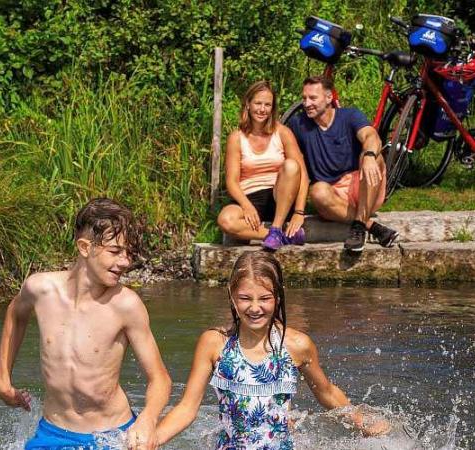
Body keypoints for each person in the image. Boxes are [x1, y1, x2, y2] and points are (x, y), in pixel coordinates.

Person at [155, 251, 389, 449]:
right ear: (232, 297)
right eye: (245, 298)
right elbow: (187, 407)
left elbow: (325, 392)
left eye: (264, 298)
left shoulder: (297, 346)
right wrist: (152, 438)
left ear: (277, 298)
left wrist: (361, 420)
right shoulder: (214, 343)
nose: (254, 308)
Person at [0, 198, 171, 450]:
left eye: (128, 253)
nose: (125, 262)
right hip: (51, 432)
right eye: (115, 251)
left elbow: (160, 379)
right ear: (85, 247)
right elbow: (15, 312)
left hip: (110, 436)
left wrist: (147, 419)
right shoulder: (40, 289)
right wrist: (2, 377)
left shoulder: (126, 305)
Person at [287, 75, 399, 252]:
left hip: (364, 186)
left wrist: (369, 155)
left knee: (373, 157)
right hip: (333, 197)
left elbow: (371, 136)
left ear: (329, 97)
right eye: (304, 98)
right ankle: (367, 226)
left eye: (313, 98)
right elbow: (276, 137)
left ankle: (360, 224)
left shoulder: (350, 115)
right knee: (317, 191)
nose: (306, 103)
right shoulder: (298, 124)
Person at [217, 81, 310, 251]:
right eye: (258, 103)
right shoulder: (236, 138)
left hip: (279, 196)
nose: (262, 109)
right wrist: (246, 205)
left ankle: (276, 228)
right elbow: (231, 182)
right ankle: (278, 235)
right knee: (226, 220)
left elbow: (303, 174)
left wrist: (299, 212)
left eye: (267, 105)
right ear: (248, 104)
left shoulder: (282, 132)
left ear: (272, 108)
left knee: (291, 166)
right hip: (249, 196)